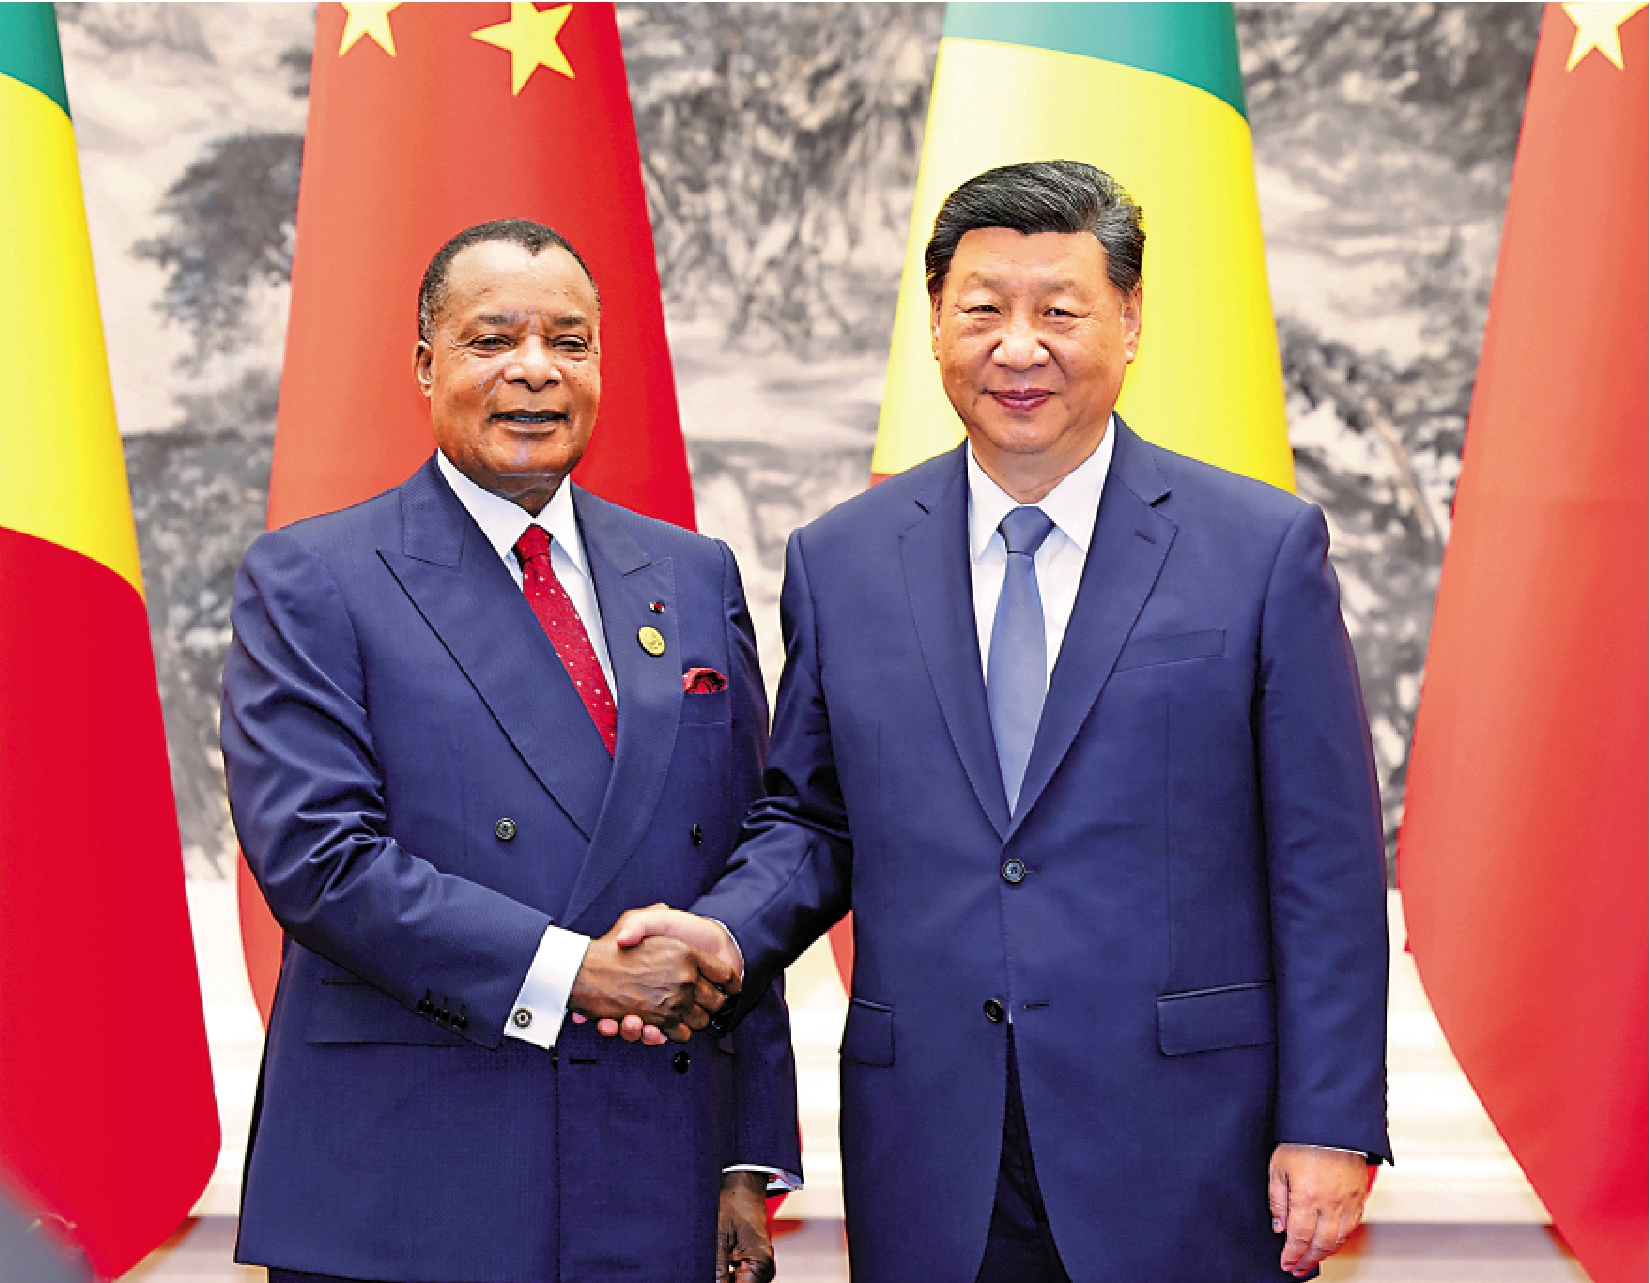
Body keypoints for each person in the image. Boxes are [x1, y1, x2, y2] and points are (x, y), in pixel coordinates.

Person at [608, 162, 1391, 1282]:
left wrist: (1330, 1121)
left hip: (1188, 1142)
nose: (1019, 347)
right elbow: (814, 820)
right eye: (982, 309)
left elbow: (1325, 859)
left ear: (1129, 321)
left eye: (1059, 311)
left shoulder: (1260, 550)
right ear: (935, 322)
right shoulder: (843, 558)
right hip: (933, 1143)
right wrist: (725, 932)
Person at [221, 219, 798, 1283]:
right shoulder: (314, 576)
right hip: (414, 1175)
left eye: (568, 341)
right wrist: (578, 972)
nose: (534, 369)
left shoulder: (694, 572)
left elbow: (742, 849)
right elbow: (319, 859)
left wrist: (744, 1156)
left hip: (657, 1160)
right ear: (425, 363)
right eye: (492, 339)